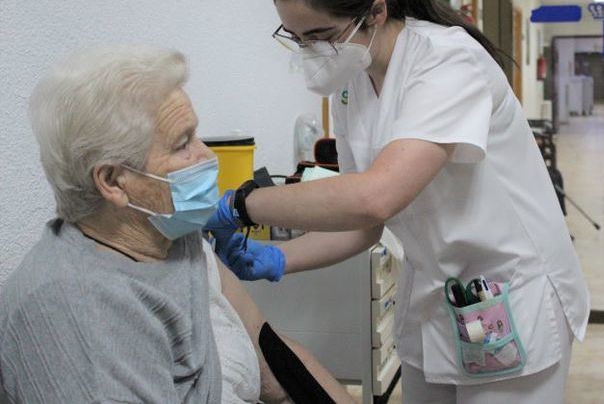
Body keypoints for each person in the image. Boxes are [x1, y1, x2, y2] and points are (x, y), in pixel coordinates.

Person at [207, 0, 589, 403]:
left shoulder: (447, 63)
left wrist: (243, 204)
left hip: (509, 293)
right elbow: (364, 222)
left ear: (376, 12)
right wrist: (281, 259)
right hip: (436, 298)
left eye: (321, 36)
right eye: (298, 38)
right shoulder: (353, 81)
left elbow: (375, 197)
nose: (311, 53)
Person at [0, 46, 354, 404]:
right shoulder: (73, 315)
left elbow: (268, 349)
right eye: (183, 144)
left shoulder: (173, 236)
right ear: (114, 181)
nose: (208, 155)